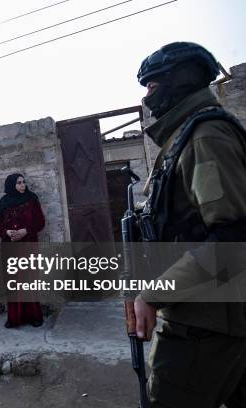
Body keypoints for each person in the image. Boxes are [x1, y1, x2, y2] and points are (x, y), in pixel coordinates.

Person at [133, 42, 246, 407]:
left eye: (152, 87)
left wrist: (154, 294)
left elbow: (232, 241)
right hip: (211, 317)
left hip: (205, 323)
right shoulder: (186, 136)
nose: (148, 98)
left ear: (178, 83)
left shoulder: (205, 137)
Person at [0, 173, 46, 328]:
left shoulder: (31, 199)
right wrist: (6, 232)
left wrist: (26, 231)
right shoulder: (4, 202)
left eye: (23, 182)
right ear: (11, 185)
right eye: (18, 183)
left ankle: (34, 316)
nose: (22, 185)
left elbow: (40, 222)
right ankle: (15, 318)